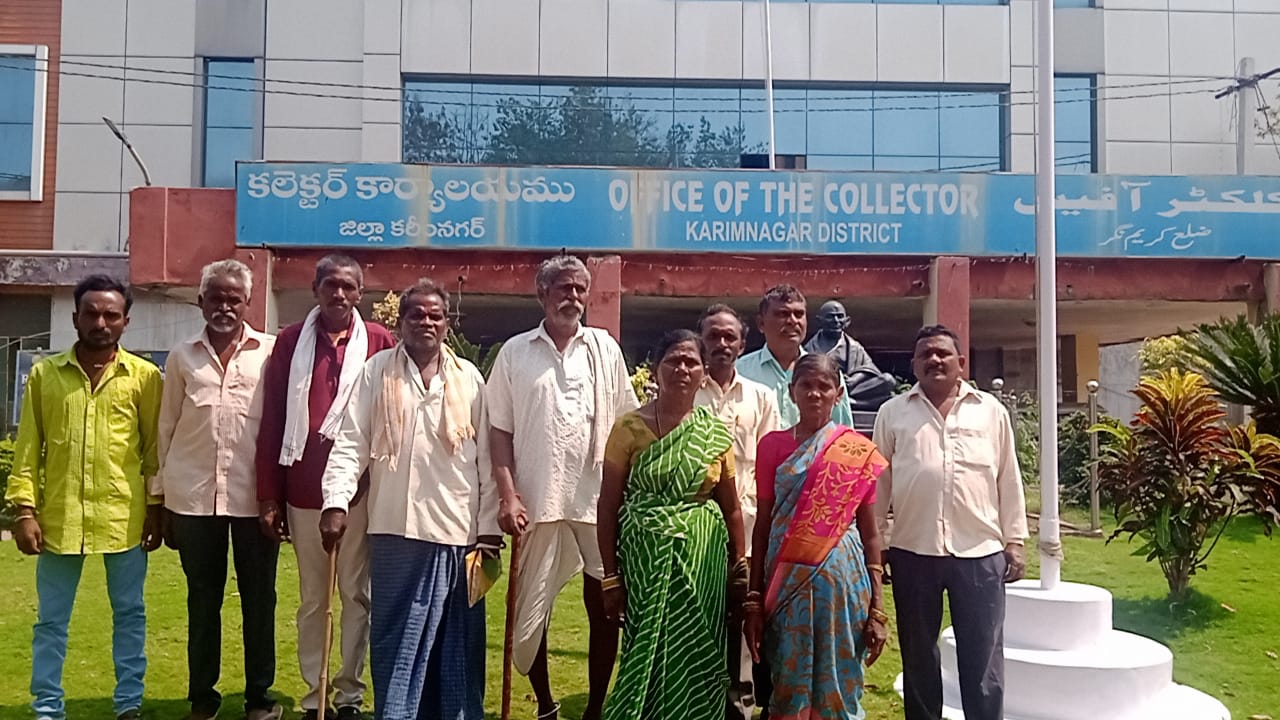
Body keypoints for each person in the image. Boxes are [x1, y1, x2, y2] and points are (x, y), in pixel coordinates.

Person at [319, 279, 499, 720]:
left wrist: (490, 530)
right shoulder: (376, 372)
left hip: (458, 534)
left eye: (435, 316)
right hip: (394, 530)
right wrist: (335, 502)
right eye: (416, 314)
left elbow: (488, 461)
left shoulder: (469, 379)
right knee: (395, 640)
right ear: (400, 322)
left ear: (447, 324)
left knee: (456, 646)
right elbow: (351, 442)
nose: (426, 322)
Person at [485, 255, 640, 720]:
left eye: (579, 289)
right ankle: (546, 705)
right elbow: (499, 430)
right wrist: (508, 494)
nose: (572, 297)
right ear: (542, 295)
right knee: (533, 608)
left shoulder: (604, 349)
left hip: (596, 500)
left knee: (605, 603)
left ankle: (594, 708)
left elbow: (626, 423)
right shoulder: (515, 352)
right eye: (563, 288)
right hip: (537, 500)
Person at [6, 274, 164, 720]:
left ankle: (128, 704)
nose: (100, 322)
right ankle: (47, 707)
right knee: (51, 621)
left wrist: (156, 509)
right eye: (91, 313)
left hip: (124, 517)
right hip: (59, 518)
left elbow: (153, 451)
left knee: (130, 614)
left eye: (111, 315)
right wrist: (24, 509)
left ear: (126, 321)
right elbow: (28, 448)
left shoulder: (145, 377)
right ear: (75, 318)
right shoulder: (45, 375)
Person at [255, 254, 397, 720]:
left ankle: (349, 695)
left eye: (348, 286)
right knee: (315, 599)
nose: (339, 294)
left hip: (360, 493)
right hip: (303, 491)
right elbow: (273, 418)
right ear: (315, 289)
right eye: (330, 285)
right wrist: (269, 496)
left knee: (356, 594)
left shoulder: (378, 341)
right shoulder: (291, 341)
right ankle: (314, 695)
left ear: (360, 293)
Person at [873, 325, 1028, 720]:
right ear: (913, 364)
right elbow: (879, 483)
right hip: (912, 551)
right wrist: (879, 544)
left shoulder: (990, 411)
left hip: (980, 553)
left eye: (942, 353)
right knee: (918, 656)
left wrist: (1015, 540)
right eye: (925, 354)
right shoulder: (893, 413)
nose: (934, 360)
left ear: (961, 362)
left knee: (982, 659)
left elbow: (1008, 477)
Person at [597, 329, 748, 720]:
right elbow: (608, 505)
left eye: (691, 362)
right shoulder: (628, 429)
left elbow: (731, 508)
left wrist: (739, 564)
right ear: (655, 370)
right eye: (673, 361)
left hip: (703, 562)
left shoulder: (715, 434)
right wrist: (611, 577)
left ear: (704, 374)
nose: (682, 369)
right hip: (644, 560)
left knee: (697, 645)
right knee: (647, 644)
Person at [155, 260, 282, 720]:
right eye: (216, 298)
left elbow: (279, 426)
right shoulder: (182, 356)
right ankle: (203, 698)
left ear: (248, 303)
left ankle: (259, 697)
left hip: (254, 500)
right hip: (192, 498)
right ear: (200, 301)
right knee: (203, 601)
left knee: (259, 601)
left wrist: (277, 496)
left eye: (234, 299)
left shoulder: (270, 353)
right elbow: (166, 428)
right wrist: (160, 498)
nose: (224, 307)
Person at [745, 353, 890, 720]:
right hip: (785, 583)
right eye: (806, 385)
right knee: (788, 678)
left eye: (824, 386)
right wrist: (755, 597)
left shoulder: (856, 451)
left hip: (843, 587)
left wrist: (878, 606)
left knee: (839, 682)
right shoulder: (772, 446)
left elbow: (870, 531)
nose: (814, 393)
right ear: (791, 391)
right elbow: (764, 522)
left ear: (838, 394)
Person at [694, 304, 780, 720]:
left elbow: (772, 466)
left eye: (730, 337)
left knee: (745, 622)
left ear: (743, 344)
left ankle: (740, 706)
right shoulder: (686, 392)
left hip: (747, 526)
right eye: (713, 336)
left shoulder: (761, 397)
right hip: (697, 530)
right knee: (700, 618)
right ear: (701, 341)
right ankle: (699, 702)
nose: (721, 344)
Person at [738, 284, 853, 429]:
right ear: (761, 323)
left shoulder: (827, 372)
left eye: (799, 314)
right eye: (782, 314)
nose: (792, 321)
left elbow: (843, 431)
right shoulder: (740, 372)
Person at [802, 300, 881, 378]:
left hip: (850, 384)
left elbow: (870, 369)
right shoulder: (808, 349)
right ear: (819, 321)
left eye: (840, 316)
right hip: (821, 383)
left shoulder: (855, 347)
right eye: (830, 317)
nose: (836, 321)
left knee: (886, 379)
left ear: (847, 321)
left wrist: (854, 379)